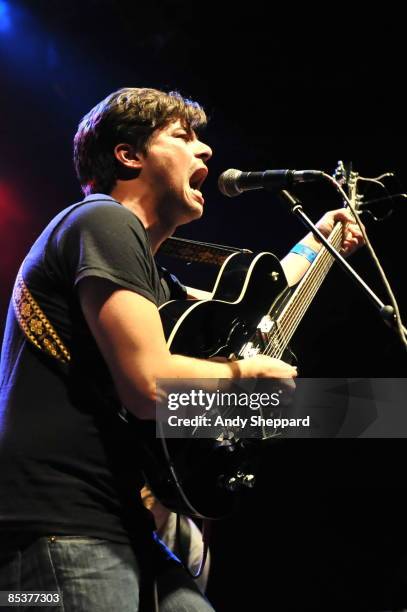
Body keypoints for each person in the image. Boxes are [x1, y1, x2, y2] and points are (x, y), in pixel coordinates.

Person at [0, 87, 363, 611]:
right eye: (183, 136)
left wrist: (319, 238)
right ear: (128, 155)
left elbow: (255, 302)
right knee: (343, 410)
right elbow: (151, 386)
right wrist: (246, 379)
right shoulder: (102, 220)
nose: (207, 151)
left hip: (111, 522)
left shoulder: (149, 275)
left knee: (345, 410)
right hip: (60, 525)